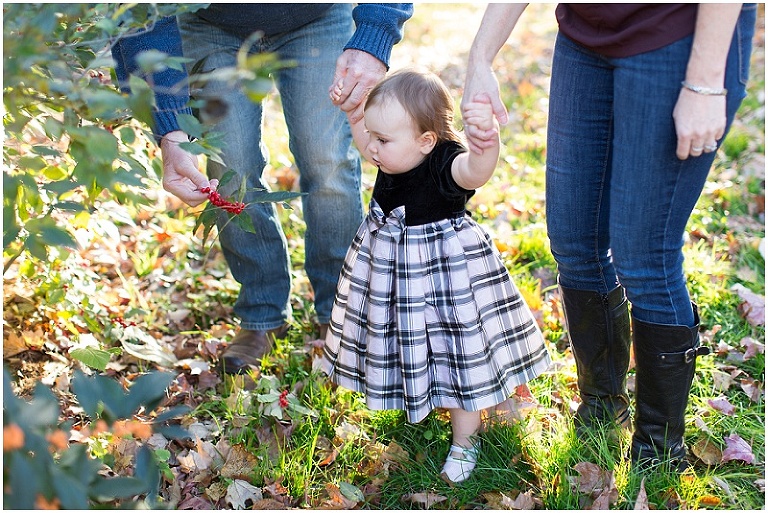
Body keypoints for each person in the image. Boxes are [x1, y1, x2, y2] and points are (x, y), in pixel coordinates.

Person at [463, 4, 756, 470]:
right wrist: (479, 59)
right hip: (585, 35)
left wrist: (703, 81)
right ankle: (602, 407)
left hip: (675, 35)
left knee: (645, 256)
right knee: (574, 242)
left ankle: (657, 452)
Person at [112, 4, 413, 374]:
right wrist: (170, 124)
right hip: (212, 23)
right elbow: (140, 11)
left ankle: (341, 312)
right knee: (231, 166)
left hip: (317, 16)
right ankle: (261, 312)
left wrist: (375, 36)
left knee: (326, 160)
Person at [322, 68, 552, 483]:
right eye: (372, 136)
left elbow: (475, 172)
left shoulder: (445, 163)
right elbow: (368, 141)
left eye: (382, 139)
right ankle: (421, 395)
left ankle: (466, 441)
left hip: (445, 282)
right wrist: (357, 114)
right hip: (398, 279)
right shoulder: (393, 152)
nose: (371, 148)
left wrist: (487, 145)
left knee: (457, 356)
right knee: (410, 343)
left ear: (426, 141)